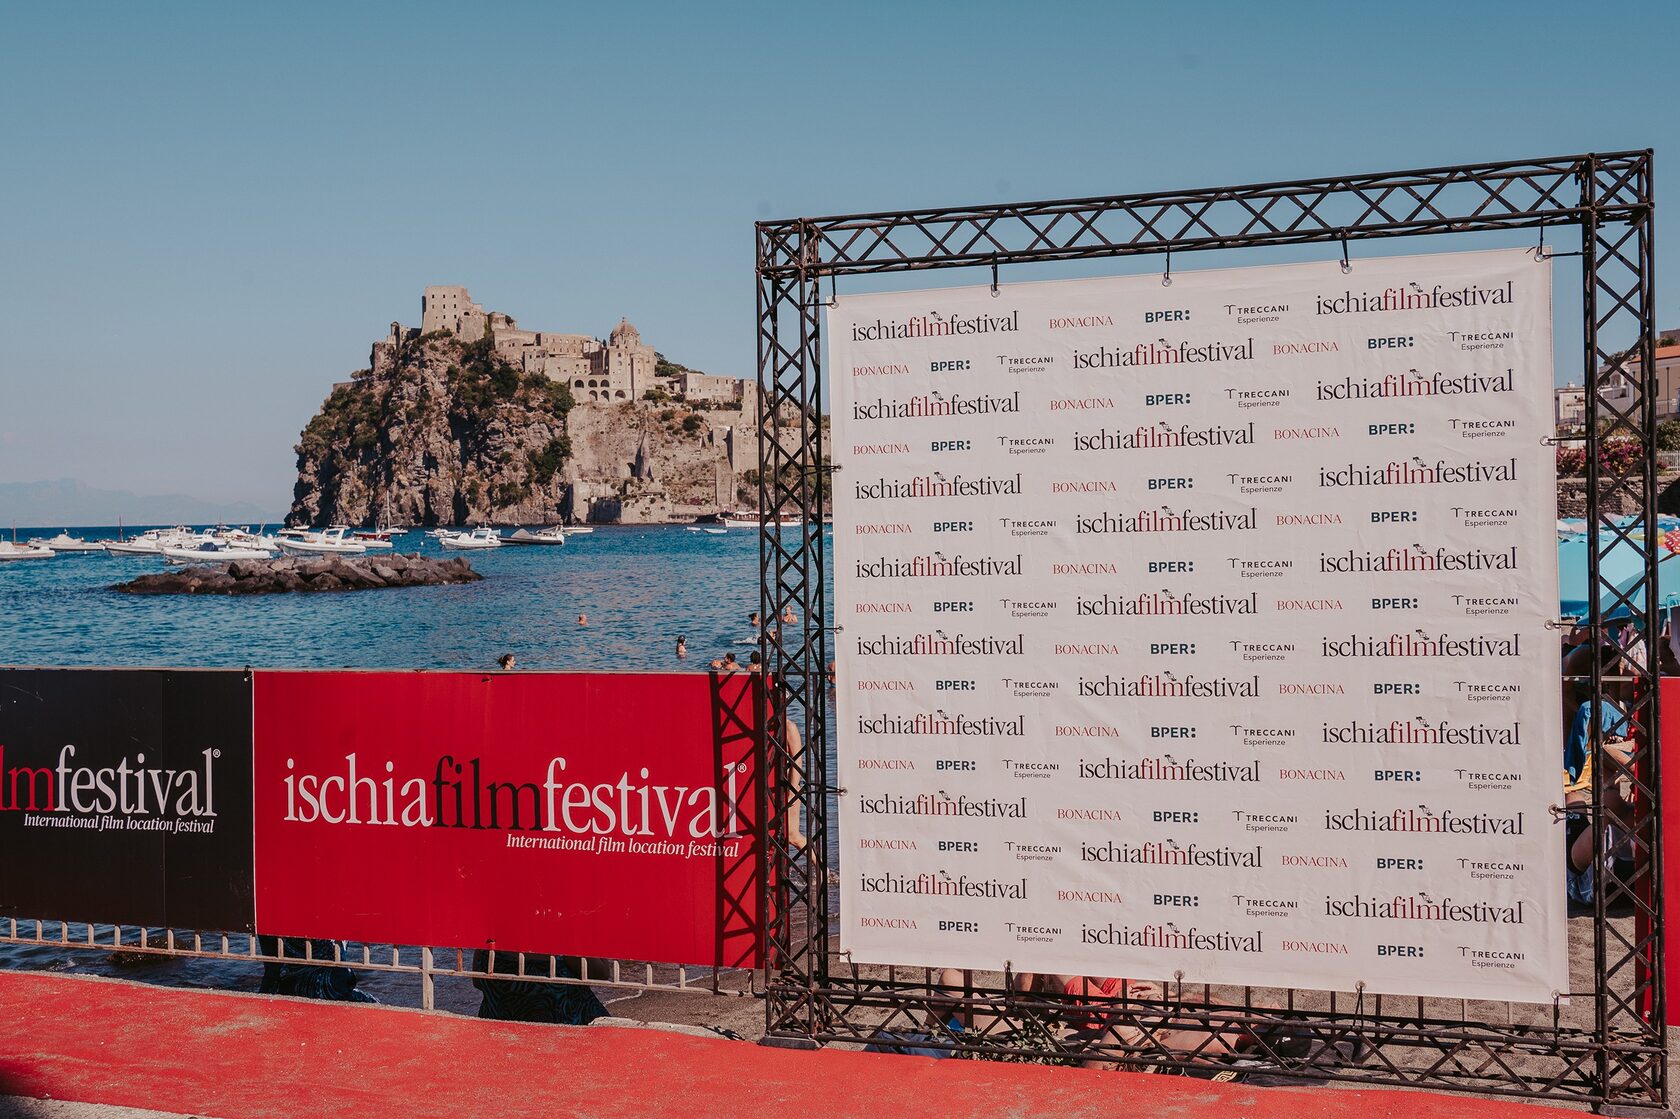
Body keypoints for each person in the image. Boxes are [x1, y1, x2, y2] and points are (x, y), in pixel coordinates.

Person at [471, 946, 607, 1026]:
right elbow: (601, 974)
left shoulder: (492, 928)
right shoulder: (564, 928)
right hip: (566, 1030)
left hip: (498, 1026)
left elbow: (478, 981)